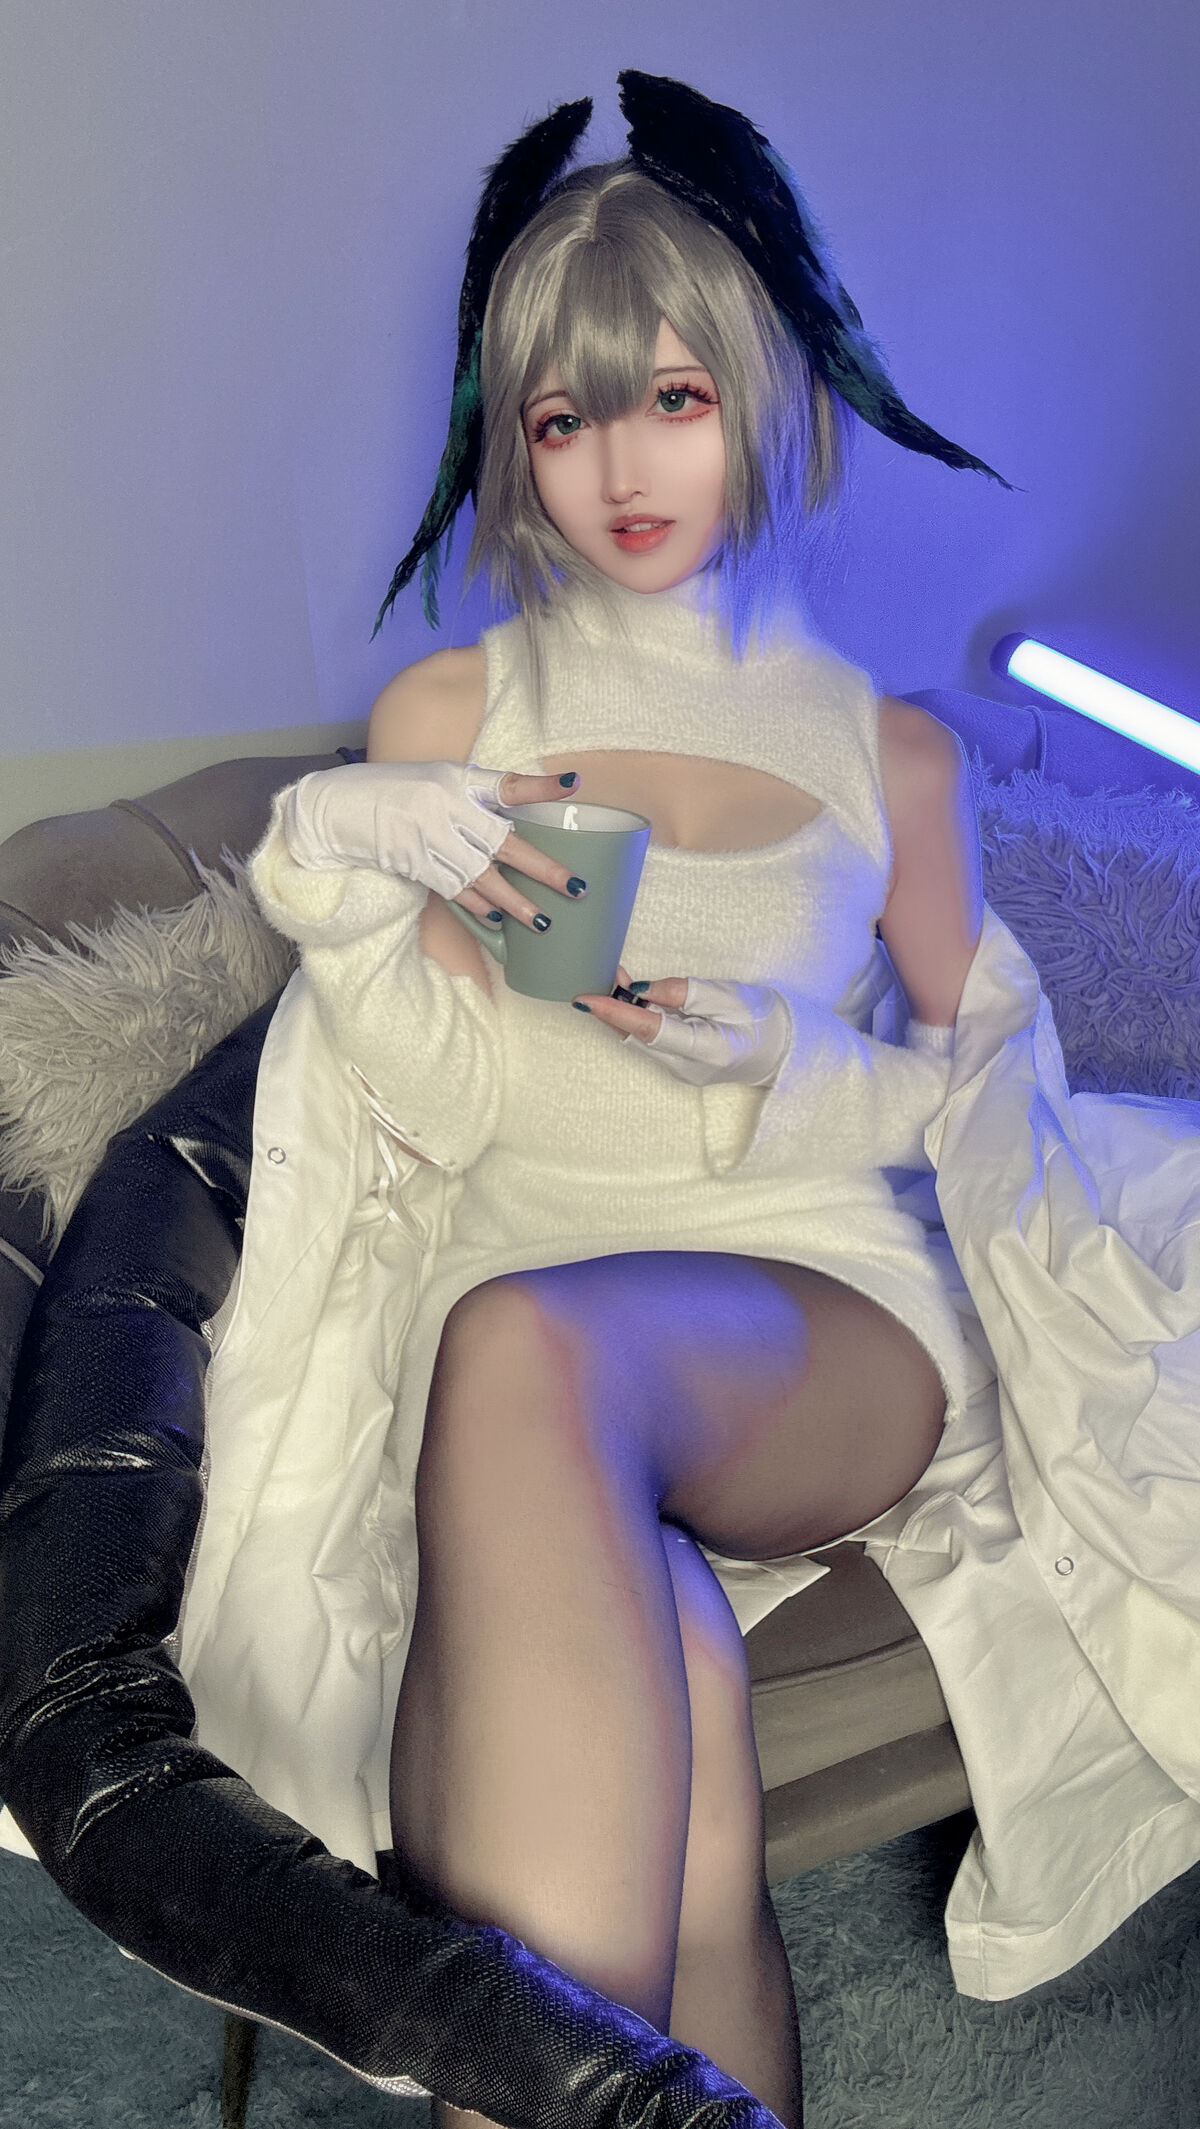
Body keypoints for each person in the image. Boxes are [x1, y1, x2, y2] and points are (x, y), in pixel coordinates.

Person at [243, 71, 1010, 2129]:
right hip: (531, 1309)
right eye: (563, 419)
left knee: (524, 1349)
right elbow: (445, 1095)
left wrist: (794, 1066)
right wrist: (334, 861)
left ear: (760, 388)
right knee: (684, 1824)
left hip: (811, 1315)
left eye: (670, 396)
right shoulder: (449, 716)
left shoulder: (891, 754)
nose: (618, 467)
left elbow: (982, 1106)